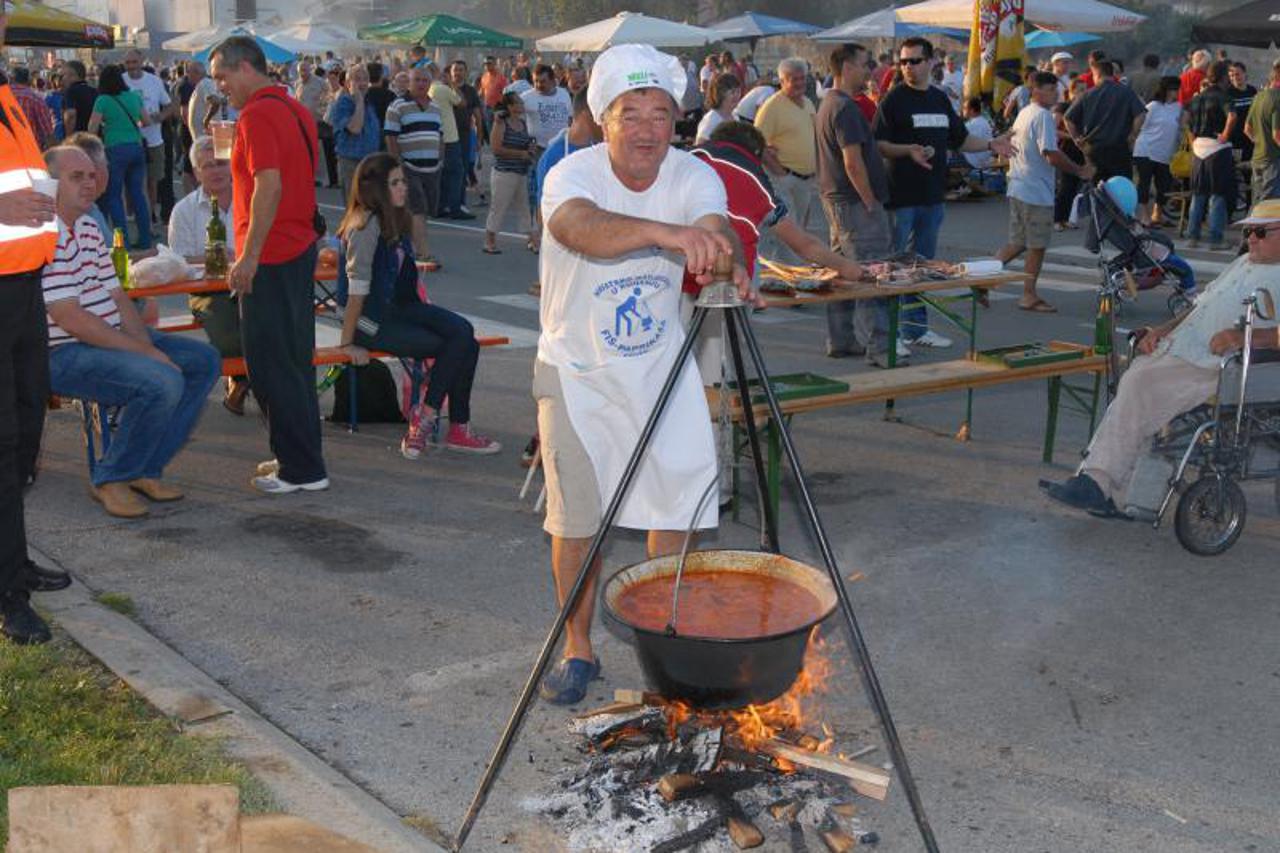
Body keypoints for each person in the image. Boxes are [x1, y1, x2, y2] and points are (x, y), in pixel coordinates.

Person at [533, 44, 750, 706]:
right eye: (634, 113)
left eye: (663, 113)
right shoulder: (573, 176)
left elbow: (716, 226)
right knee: (576, 523)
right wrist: (668, 234)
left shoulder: (692, 174)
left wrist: (721, 253)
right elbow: (580, 230)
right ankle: (578, 645)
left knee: (677, 504)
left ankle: (664, 630)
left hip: (660, 363)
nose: (652, 128)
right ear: (604, 118)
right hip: (576, 367)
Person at [1042, 201, 1280, 518]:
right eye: (1249, 231)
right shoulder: (1243, 263)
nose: (1251, 238)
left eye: (1260, 231)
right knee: (1133, 386)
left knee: (1139, 386)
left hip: (1222, 367)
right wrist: (1161, 329)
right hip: (1184, 352)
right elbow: (1199, 308)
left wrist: (1244, 337)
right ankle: (1111, 486)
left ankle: (1097, 481)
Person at [41, 145, 219, 519]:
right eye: (77, 177)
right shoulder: (45, 235)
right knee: (161, 380)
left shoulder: (88, 224)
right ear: (50, 184)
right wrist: (145, 354)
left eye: (92, 175)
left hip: (104, 339)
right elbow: (70, 318)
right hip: (63, 352)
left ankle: (144, 469)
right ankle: (111, 477)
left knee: (203, 360)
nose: (90, 184)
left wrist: (142, 343)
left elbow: (118, 296)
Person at [210, 36, 328, 494]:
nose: (221, 87)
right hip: (296, 246)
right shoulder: (294, 107)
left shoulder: (257, 113)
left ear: (245, 68)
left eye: (223, 76)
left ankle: (301, 469)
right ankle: (298, 456)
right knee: (294, 360)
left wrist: (249, 258)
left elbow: (269, 186)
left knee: (270, 364)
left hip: (273, 253)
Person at [336, 152, 500, 459]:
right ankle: (442, 423)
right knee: (460, 345)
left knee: (464, 333)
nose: (403, 188)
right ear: (376, 188)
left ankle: (435, 418)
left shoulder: (394, 218)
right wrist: (347, 342)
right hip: (366, 320)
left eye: (402, 181)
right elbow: (355, 294)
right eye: (395, 182)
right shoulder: (365, 225)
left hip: (398, 307)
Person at [690, 118, 863, 378]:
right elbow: (802, 243)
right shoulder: (754, 180)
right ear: (756, 154)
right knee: (718, 368)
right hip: (725, 282)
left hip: (672, 274)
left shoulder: (687, 160)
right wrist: (847, 267)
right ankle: (725, 415)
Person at [874, 37, 1011, 348]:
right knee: (893, 268)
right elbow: (878, 144)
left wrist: (991, 144)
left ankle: (915, 330)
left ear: (931, 61)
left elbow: (960, 140)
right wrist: (907, 150)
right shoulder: (893, 100)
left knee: (922, 267)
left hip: (933, 197)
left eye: (915, 61)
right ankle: (888, 334)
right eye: (904, 62)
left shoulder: (939, 100)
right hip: (901, 198)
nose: (908, 67)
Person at [0, 5, 65, 644]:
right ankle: (7, 596)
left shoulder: (7, 94)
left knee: (24, 435)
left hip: (24, 287)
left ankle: (13, 559)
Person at [816, 43, 897, 367]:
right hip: (853, 203)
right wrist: (869, 201)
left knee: (841, 272)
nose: (870, 70)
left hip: (836, 200)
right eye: (866, 64)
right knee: (870, 273)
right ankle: (880, 349)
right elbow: (852, 162)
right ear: (847, 67)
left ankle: (841, 339)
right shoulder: (845, 108)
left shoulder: (828, 104)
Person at [996, 72, 1096, 313]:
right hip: (1034, 189)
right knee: (1036, 245)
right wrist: (1079, 170)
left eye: (1056, 90)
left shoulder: (1025, 112)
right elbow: (1050, 154)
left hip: (1020, 185)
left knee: (1018, 242)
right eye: (1052, 89)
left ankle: (982, 277)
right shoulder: (1042, 116)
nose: (1056, 94)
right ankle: (1028, 295)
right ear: (1037, 90)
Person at [168, 135, 246, 414]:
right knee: (229, 334)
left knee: (271, 323)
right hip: (207, 289)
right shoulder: (184, 210)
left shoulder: (250, 199)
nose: (216, 171)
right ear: (197, 172)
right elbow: (177, 260)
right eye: (207, 165)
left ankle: (245, 382)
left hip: (251, 283)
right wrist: (215, 257)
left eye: (221, 163)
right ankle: (241, 379)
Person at [754, 58, 818, 249]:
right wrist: (780, 173)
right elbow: (756, 142)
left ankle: (797, 272)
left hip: (806, 180)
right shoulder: (772, 106)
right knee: (789, 234)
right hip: (784, 180)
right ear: (782, 81)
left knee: (801, 231)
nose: (799, 83)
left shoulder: (807, 103)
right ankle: (789, 274)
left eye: (802, 78)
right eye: (793, 79)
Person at [88, 64, 152, 250]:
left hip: (114, 149)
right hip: (136, 147)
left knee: (114, 196)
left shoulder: (103, 100)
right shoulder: (134, 96)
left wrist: (109, 126)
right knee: (137, 194)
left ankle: (123, 244)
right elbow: (146, 121)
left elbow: (92, 128)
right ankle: (145, 239)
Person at [384, 66, 443, 263]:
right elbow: (391, 137)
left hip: (432, 167)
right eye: (416, 80)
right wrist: (397, 165)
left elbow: (440, 135)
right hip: (409, 167)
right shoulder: (397, 106)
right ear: (409, 83)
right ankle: (423, 253)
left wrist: (440, 158)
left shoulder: (435, 107)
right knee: (417, 208)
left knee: (423, 211)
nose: (421, 84)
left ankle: (404, 246)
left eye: (425, 81)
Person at [1063, 59, 1145, 183]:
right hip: (1119, 148)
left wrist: (1077, 139)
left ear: (1097, 74)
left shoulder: (1087, 94)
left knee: (1097, 190)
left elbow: (1068, 119)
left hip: (1094, 150)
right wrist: (1133, 135)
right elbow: (1141, 114)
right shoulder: (1126, 92)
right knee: (1121, 187)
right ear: (1112, 74)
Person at [1185, 61, 1238, 250]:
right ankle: (1215, 239)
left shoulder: (1197, 98)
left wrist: (1193, 142)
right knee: (1217, 194)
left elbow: (1187, 122)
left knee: (1198, 194)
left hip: (1199, 148)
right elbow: (1232, 116)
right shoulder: (1223, 96)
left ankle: (1193, 236)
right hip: (1217, 149)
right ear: (1223, 77)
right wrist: (1225, 135)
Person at [122, 50, 174, 218]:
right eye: (128, 63)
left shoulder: (154, 81)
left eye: (134, 62)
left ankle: (150, 212)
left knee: (153, 180)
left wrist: (161, 116)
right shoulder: (121, 81)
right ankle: (132, 212)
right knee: (131, 181)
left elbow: (169, 105)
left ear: (142, 61)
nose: (131, 66)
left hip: (153, 140)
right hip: (130, 139)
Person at [483, 92, 535, 255]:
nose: (521, 106)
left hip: (521, 171)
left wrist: (529, 150)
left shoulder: (523, 123)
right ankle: (489, 241)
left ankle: (532, 239)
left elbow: (525, 145)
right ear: (510, 106)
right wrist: (520, 154)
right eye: (518, 103)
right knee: (498, 207)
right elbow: (496, 149)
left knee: (525, 208)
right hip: (504, 173)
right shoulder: (501, 123)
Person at [1132, 77, 1184, 228]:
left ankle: (1157, 214)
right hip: (1146, 150)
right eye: (1174, 89)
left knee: (1164, 186)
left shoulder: (1178, 107)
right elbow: (1142, 126)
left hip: (1165, 154)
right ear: (1166, 90)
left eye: (1177, 89)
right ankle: (1144, 215)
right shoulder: (1153, 106)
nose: (1176, 92)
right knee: (1144, 184)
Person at [328, 64, 381, 203]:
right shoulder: (343, 104)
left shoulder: (367, 104)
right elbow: (355, 128)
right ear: (347, 83)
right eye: (357, 79)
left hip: (370, 162)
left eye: (365, 79)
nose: (363, 83)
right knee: (356, 211)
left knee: (369, 212)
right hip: (352, 164)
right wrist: (358, 101)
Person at [449, 61, 484, 217]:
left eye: (461, 70)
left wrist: (479, 139)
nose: (458, 73)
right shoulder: (444, 89)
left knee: (462, 170)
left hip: (464, 134)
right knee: (447, 169)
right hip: (446, 135)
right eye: (455, 70)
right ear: (451, 72)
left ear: (466, 72)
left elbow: (478, 115)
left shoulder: (470, 91)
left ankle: (460, 203)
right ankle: (445, 204)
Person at [1244, 59, 1280, 203]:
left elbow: (1247, 129)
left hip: (1257, 157)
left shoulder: (1258, 97)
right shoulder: (1278, 99)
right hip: (1273, 159)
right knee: (1271, 204)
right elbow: (1277, 134)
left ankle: (1250, 227)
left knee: (1257, 201)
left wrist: (1260, 142)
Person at [294, 60, 332, 186]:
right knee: (306, 150)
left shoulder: (320, 83)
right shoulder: (297, 84)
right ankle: (310, 176)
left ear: (310, 69)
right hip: (303, 124)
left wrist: (321, 112)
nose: (302, 73)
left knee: (319, 150)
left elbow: (328, 99)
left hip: (318, 122)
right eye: (300, 71)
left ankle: (323, 179)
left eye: (305, 70)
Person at [9, 68, 53, 150]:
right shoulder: (36, 99)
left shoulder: (3, 97)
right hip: (30, 151)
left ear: (11, 79)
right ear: (29, 80)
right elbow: (48, 132)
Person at [696, 73, 740, 145]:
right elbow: (700, 146)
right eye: (732, 92)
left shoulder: (735, 116)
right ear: (720, 94)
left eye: (738, 91)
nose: (736, 96)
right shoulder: (711, 119)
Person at [1228, 62, 1257, 164]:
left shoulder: (1252, 91)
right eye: (1231, 75)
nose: (1234, 77)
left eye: (1237, 74)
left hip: (1250, 138)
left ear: (1245, 74)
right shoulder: (1228, 93)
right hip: (1235, 140)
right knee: (1237, 168)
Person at [60, 60, 96, 134]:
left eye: (64, 75)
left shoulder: (70, 92)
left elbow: (70, 115)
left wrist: (69, 138)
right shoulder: (94, 91)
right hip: (93, 138)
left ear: (72, 75)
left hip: (77, 138)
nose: (62, 79)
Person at [365, 62, 396, 131]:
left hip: (368, 134)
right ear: (382, 75)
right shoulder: (390, 95)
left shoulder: (362, 96)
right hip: (387, 133)